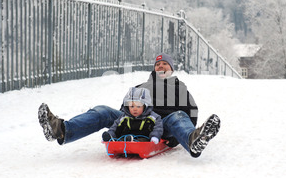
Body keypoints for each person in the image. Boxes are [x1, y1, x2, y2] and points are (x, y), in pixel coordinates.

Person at [38, 53, 221, 158]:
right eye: (158, 64)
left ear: (171, 69)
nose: (161, 66)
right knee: (102, 110)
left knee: (179, 115)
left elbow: (190, 114)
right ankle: (61, 129)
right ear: (154, 68)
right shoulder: (141, 87)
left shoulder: (180, 88)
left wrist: (175, 136)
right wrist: (120, 124)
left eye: (165, 64)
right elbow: (124, 107)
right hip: (133, 120)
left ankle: (193, 140)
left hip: (160, 126)